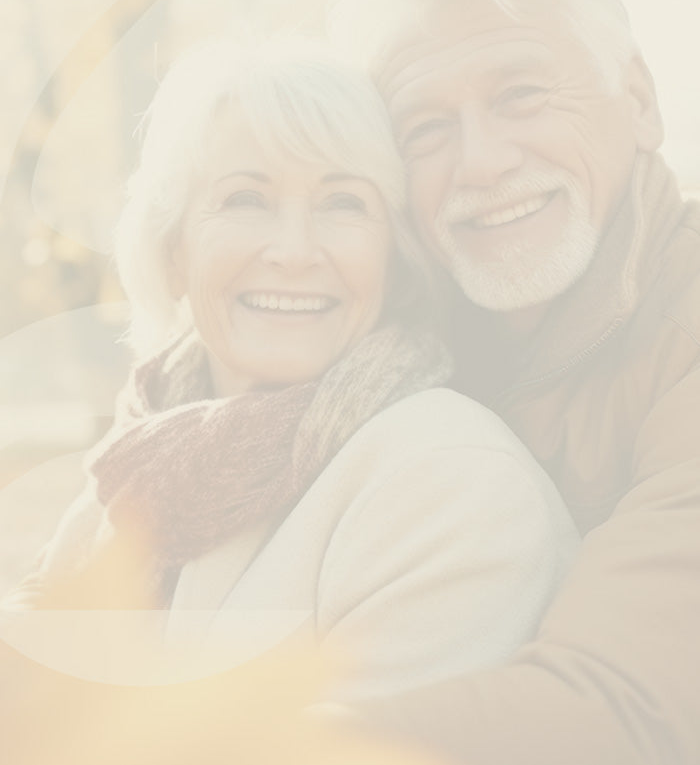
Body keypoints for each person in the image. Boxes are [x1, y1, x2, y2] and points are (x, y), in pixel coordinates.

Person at [3, 37, 576, 705]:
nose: (296, 252)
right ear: (172, 246)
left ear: (394, 257)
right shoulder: (145, 460)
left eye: (343, 204)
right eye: (246, 199)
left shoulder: (453, 480)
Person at [334, 0, 700, 762]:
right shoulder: (391, 330)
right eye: (425, 129)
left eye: (522, 97)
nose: (481, 162)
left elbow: (622, 708)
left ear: (640, 102)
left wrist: (224, 736)